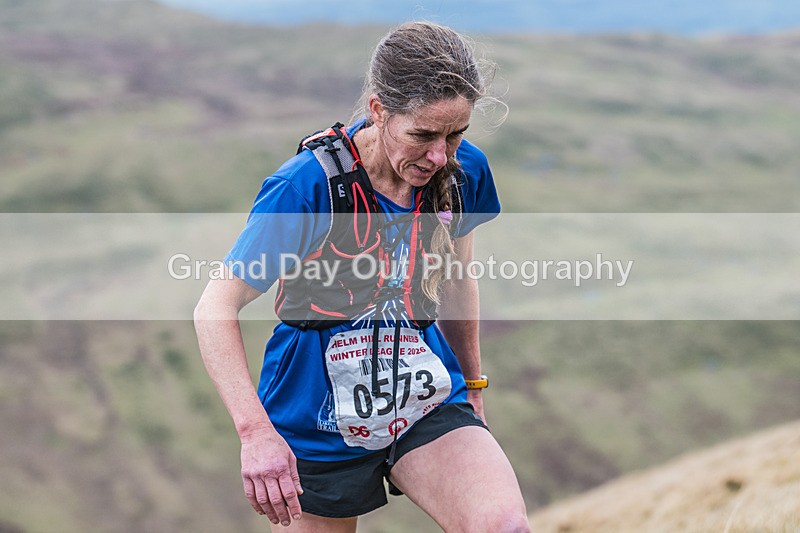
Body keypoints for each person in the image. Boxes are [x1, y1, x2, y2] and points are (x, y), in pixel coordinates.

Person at [194, 22, 530, 532]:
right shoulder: (303, 187)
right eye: (422, 134)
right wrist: (255, 434)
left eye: (455, 134)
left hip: (425, 391)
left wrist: (474, 384)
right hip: (314, 416)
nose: (440, 156)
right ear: (378, 110)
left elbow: (458, 278)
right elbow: (215, 308)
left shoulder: (464, 172)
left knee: (505, 527)